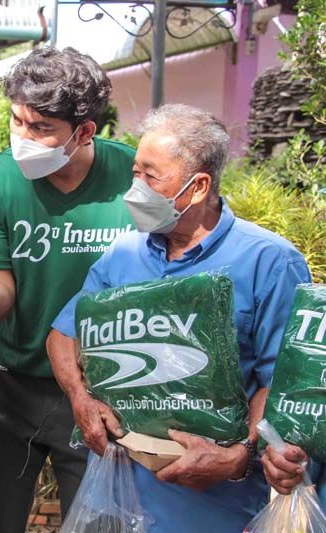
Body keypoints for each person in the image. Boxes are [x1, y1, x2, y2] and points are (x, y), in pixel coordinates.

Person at [47, 104, 311, 532]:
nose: (135, 189)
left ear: (199, 186)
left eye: (150, 177)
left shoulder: (269, 262)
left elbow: (280, 382)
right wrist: (81, 397)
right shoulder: (122, 255)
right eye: (135, 173)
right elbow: (63, 334)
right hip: (120, 500)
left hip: (217, 507)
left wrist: (238, 457)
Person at [0, 47, 136, 532]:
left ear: (84, 131)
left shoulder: (132, 178)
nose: (23, 138)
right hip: (10, 387)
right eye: (17, 121)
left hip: (101, 391)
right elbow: (1, 297)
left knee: (98, 525)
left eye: (41, 128)